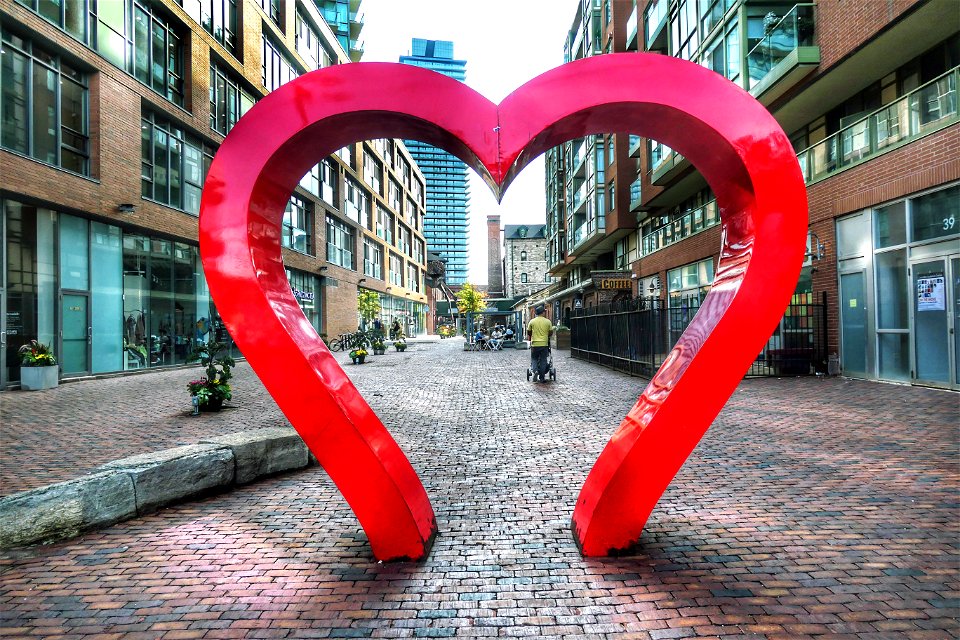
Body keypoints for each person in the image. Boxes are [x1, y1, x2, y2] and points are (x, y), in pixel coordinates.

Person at [526, 306, 554, 382]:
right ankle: (542, 377)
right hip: (544, 344)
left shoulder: (532, 321)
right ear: (543, 312)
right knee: (543, 360)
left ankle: (535, 371)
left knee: (534, 359)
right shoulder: (548, 321)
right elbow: (551, 332)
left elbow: (528, 332)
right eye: (544, 311)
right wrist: (546, 335)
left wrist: (533, 335)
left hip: (535, 344)